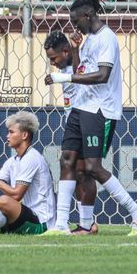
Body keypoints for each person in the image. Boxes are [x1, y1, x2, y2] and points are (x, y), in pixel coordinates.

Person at [43, 0, 137, 236]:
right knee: (68, 161)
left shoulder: (107, 39)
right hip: (81, 108)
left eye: (75, 20)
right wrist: (76, 49)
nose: (74, 25)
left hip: (100, 110)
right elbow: (82, 68)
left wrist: (65, 77)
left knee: (92, 167)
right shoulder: (89, 40)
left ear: (88, 15)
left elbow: (102, 76)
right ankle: (62, 225)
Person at [44, 30, 99, 235]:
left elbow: (80, 75)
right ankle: (81, 224)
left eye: (54, 58)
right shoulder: (67, 66)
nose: (53, 62)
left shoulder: (80, 60)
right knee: (73, 168)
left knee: (86, 172)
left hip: (87, 120)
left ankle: (83, 223)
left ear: (65, 51)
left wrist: (75, 52)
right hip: (73, 123)